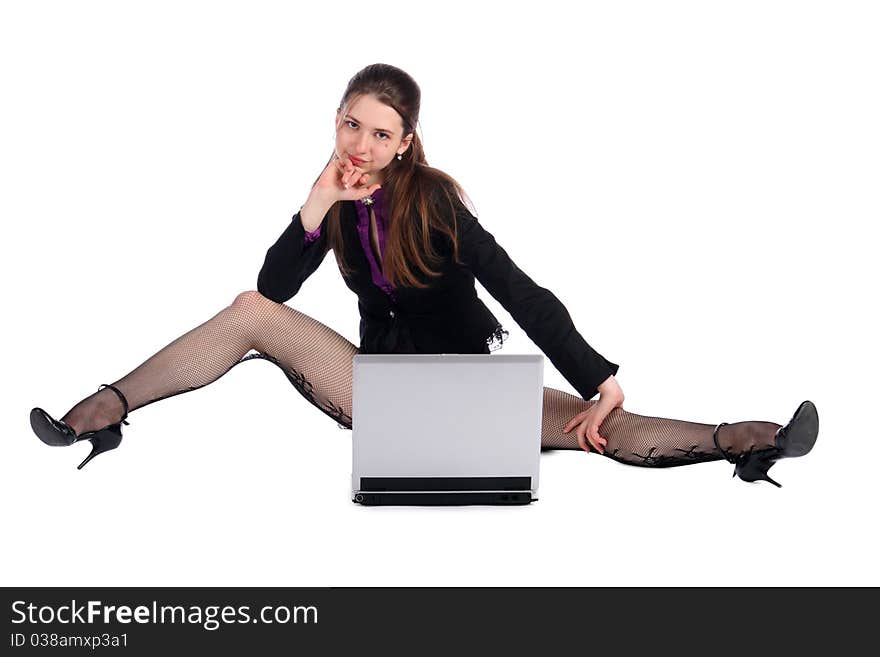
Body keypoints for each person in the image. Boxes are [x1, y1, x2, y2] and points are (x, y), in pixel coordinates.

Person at [29, 63, 819, 485]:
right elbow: (271, 295)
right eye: (350, 124)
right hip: (381, 392)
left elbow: (519, 290)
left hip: (462, 395)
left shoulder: (435, 201)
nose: (361, 143)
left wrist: (600, 375)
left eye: (380, 132)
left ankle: (748, 440)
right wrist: (314, 202)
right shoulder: (332, 194)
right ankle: (106, 407)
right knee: (246, 309)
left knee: (592, 422)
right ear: (334, 121)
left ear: (407, 140)